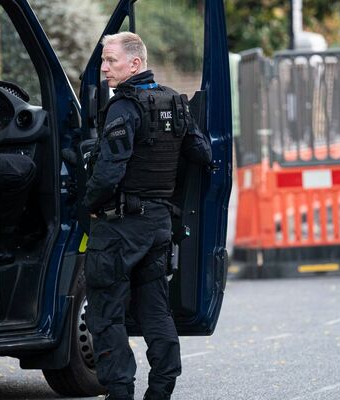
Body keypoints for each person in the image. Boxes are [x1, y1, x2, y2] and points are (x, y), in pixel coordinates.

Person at [82, 32, 212, 400]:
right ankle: (161, 389)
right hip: (157, 227)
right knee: (156, 310)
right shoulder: (174, 101)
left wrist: (85, 206)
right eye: (104, 61)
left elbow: (109, 173)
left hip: (119, 228)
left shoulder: (124, 107)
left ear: (134, 64)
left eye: (111, 61)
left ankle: (120, 392)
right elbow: (202, 153)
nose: (104, 68)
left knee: (105, 316)